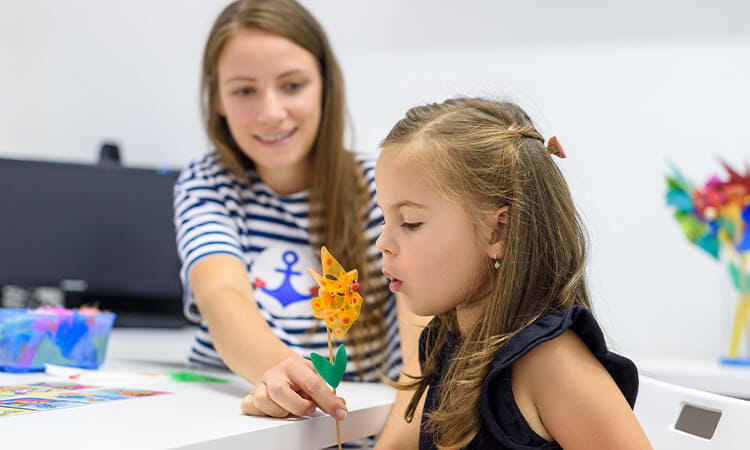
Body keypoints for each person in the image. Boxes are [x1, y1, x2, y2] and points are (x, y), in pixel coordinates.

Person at [173, 0, 422, 423]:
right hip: (235, 426)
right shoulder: (207, 182)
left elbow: (420, 337)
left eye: (292, 86)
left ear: (326, 85)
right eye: (244, 90)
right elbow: (220, 293)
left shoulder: (379, 184)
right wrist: (280, 373)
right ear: (217, 99)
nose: (271, 113)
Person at [372, 98, 652, 449]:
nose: (384, 242)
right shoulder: (446, 340)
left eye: (411, 223)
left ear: (498, 232)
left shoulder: (549, 363)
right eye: (384, 218)